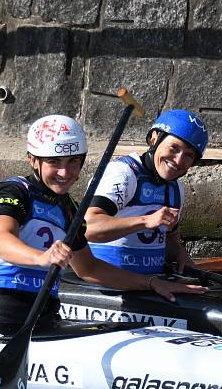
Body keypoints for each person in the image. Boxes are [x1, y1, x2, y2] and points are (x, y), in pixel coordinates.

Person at [0, 114, 205, 327]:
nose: (65, 173)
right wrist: (42, 257)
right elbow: (2, 239)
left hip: (46, 310)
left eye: (73, 163)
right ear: (32, 160)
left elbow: (89, 269)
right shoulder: (13, 191)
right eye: (54, 162)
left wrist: (151, 283)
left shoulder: (69, 209)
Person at [84, 109, 208, 275]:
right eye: (174, 148)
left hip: (150, 284)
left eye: (188, 155)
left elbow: (171, 240)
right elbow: (89, 229)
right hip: (106, 282)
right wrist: (145, 221)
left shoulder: (176, 188)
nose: (178, 160)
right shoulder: (124, 174)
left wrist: (181, 255)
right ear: (154, 139)